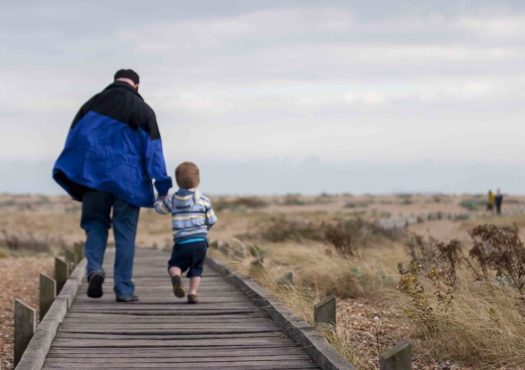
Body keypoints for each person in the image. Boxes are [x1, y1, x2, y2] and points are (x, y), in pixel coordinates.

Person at [53, 69, 172, 302]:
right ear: (137, 86)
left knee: (95, 226)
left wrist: (75, 175)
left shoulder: (91, 105)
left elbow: (75, 141)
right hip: (129, 183)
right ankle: (124, 290)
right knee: (125, 235)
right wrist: (163, 185)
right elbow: (153, 151)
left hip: (93, 180)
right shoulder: (143, 110)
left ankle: (95, 269)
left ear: (114, 81)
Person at [154, 162, 217, 304]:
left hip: (182, 242)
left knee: (175, 265)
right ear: (198, 180)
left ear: (177, 182)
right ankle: (193, 293)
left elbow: (159, 209)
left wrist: (160, 197)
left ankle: (176, 276)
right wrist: (206, 229)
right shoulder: (204, 200)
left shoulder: (173, 199)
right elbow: (212, 220)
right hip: (200, 242)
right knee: (197, 268)